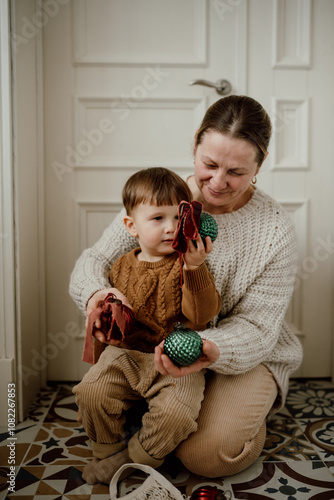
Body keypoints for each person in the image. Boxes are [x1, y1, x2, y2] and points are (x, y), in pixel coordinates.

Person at [70, 95, 303, 480]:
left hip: (243, 350)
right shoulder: (163, 197)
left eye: (237, 171)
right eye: (209, 164)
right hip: (158, 346)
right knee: (104, 396)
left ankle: (239, 415)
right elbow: (95, 261)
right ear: (195, 144)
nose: (218, 182)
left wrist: (209, 348)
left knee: (206, 457)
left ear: (259, 166)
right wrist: (99, 296)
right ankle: (172, 414)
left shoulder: (274, 230)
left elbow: (259, 328)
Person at [73, 167, 222, 484]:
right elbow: (107, 329)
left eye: (177, 218)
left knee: (178, 412)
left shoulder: (187, 264)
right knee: (90, 391)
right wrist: (99, 366)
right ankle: (107, 450)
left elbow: (201, 316)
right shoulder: (119, 265)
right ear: (131, 226)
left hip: (172, 359)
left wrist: (196, 269)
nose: (170, 228)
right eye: (158, 219)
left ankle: (134, 458)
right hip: (125, 354)